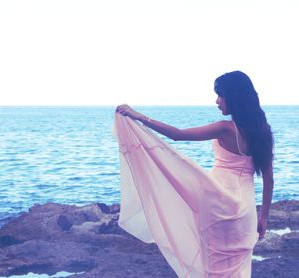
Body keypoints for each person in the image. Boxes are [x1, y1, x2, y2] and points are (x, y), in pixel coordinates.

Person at [114, 70, 274, 277]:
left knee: (213, 266)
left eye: (220, 95)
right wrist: (264, 218)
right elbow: (269, 180)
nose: (217, 101)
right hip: (245, 212)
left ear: (233, 97)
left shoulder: (225, 128)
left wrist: (139, 116)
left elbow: (178, 135)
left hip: (217, 204)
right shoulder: (262, 131)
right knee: (238, 267)